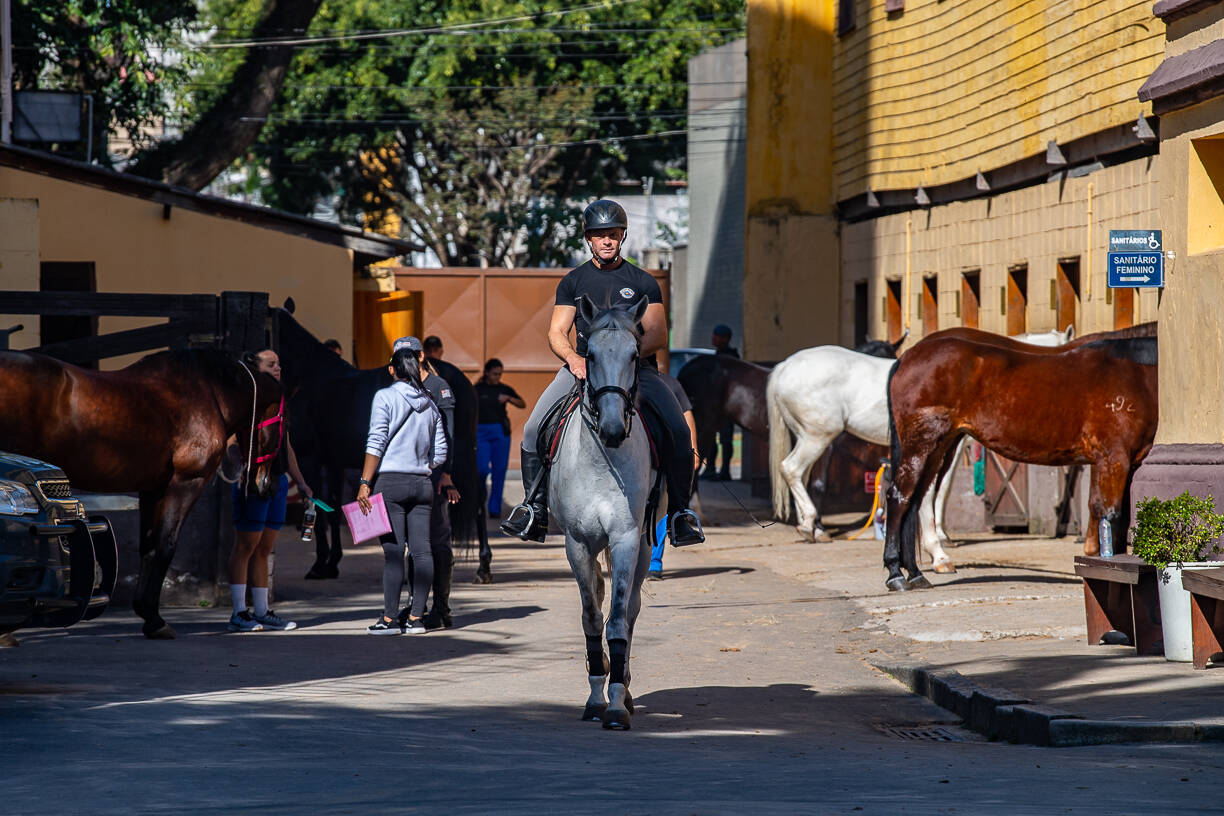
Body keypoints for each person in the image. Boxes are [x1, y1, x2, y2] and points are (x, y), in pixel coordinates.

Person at [500, 198, 704, 547]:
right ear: (588, 239)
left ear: (622, 236)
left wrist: (622, 356)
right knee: (534, 428)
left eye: (613, 234)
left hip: (637, 371)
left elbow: (657, 333)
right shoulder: (573, 281)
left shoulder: (642, 280)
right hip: (581, 368)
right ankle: (534, 508)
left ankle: (680, 514)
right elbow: (556, 331)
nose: (607, 241)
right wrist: (574, 359)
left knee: (678, 430)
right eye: (599, 235)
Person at [358, 338, 448, 635]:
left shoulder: (384, 397)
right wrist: (423, 467)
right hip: (422, 484)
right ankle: (416, 619)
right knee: (422, 552)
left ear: (391, 370)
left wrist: (364, 483)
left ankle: (388, 619)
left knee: (394, 553)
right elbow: (441, 454)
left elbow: (376, 441)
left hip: (390, 482)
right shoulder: (431, 405)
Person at [228, 348, 312, 633]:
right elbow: (229, 443)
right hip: (253, 481)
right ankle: (239, 613)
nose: (278, 368)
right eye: (271, 364)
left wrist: (300, 482)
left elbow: (286, 446)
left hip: (277, 481)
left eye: (279, 364)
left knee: (264, 548)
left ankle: (262, 611)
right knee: (245, 547)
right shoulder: (243, 403)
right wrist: (242, 469)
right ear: (256, 370)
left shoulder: (279, 402)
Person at [410, 338, 461, 630]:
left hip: (435, 476)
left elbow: (449, 434)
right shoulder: (401, 388)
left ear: (419, 357)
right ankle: (415, 605)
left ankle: (441, 608)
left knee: (438, 541)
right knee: (412, 545)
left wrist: (447, 474)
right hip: (408, 476)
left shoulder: (439, 386)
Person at [474, 358, 525, 518]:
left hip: (500, 432)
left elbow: (522, 403)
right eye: (495, 374)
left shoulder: (504, 389)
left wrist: (508, 398)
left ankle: (494, 507)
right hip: (480, 431)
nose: (497, 377)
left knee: (500, 470)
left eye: (500, 374)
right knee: (481, 469)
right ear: (487, 372)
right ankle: (479, 501)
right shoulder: (477, 389)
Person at [706, 324, 739, 481]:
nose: (714, 338)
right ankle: (711, 468)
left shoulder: (731, 357)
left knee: (726, 439)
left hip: (725, 404)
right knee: (711, 438)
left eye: (717, 335)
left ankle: (725, 470)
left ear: (725, 338)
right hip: (714, 405)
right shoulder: (718, 354)